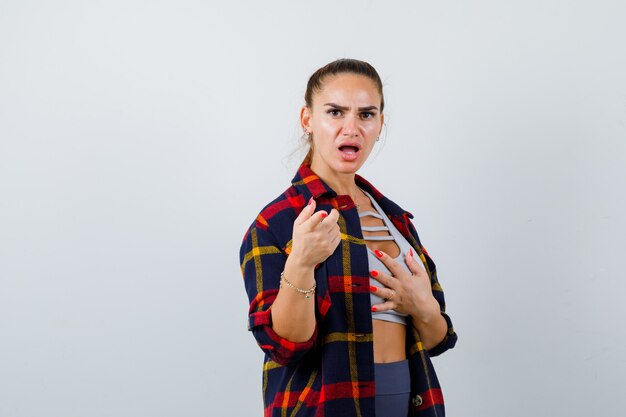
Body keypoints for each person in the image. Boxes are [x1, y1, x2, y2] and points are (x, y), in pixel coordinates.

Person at [239, 58, 457, 417]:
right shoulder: (276, 222)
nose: (351, 128)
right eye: (336, 112)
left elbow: (438, 340)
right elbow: (285, 347)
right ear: (308, 120)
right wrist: (301, 264)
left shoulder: (396, 219)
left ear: (380, 124)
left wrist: (422, 308)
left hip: (411, 405)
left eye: (366, 115)